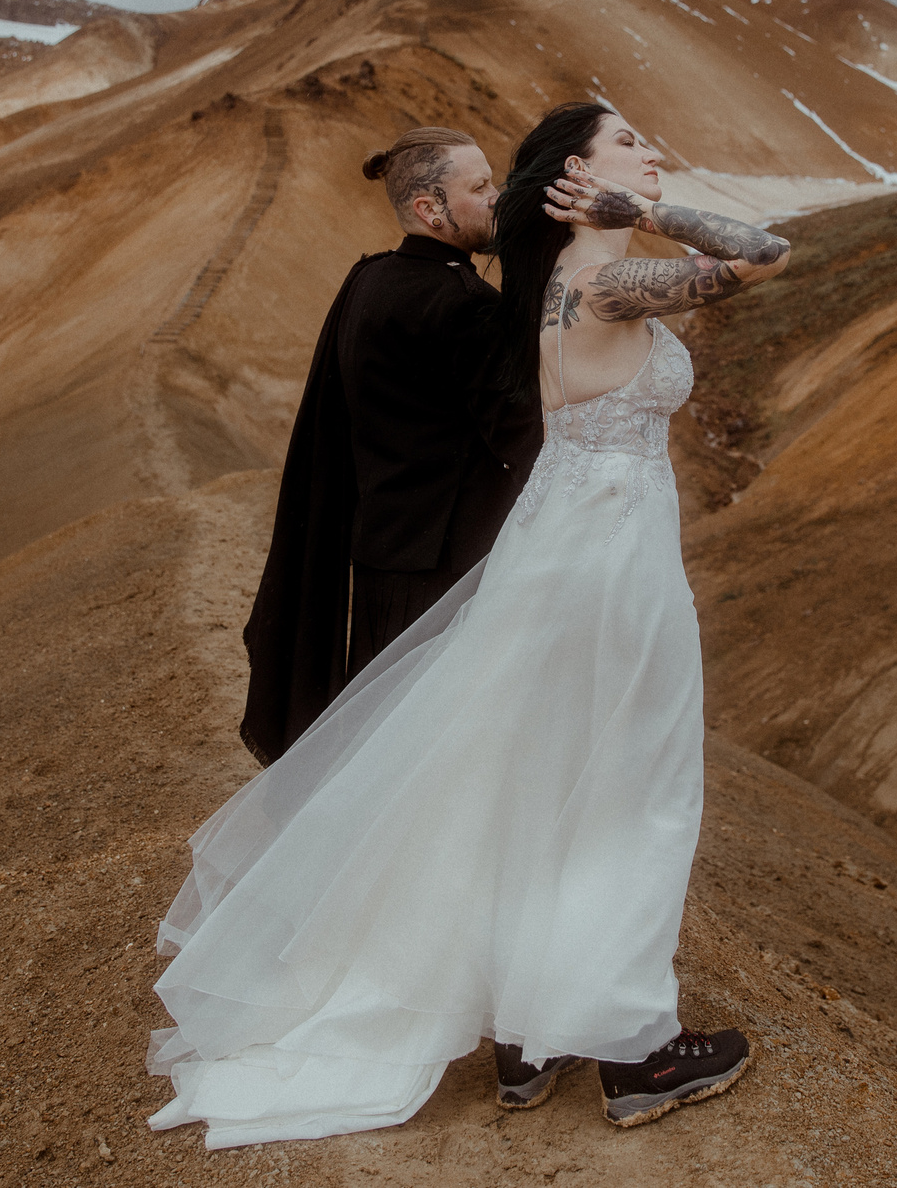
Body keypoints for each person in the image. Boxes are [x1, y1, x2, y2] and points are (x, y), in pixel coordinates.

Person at [149, 100, 791, 1147]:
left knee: (541, 782)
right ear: (579, 176)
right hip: (607, 560)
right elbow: (764, 252)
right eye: (628, 144)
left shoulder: (545, 287)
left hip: (565, 547)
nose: (654, 154)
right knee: (632, 792)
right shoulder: (606, 281)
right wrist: (638, 213)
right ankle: (635, 1051)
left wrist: (619, 205)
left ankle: (527, 1038)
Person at [238, 125, 540, 766]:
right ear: (431, 209)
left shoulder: (368, 281)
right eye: (480, 187)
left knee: (383, 741)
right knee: (435, 747)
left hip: (380, 553)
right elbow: (526, 439)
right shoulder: (465, 306)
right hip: (453, 567)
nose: (498, 198)